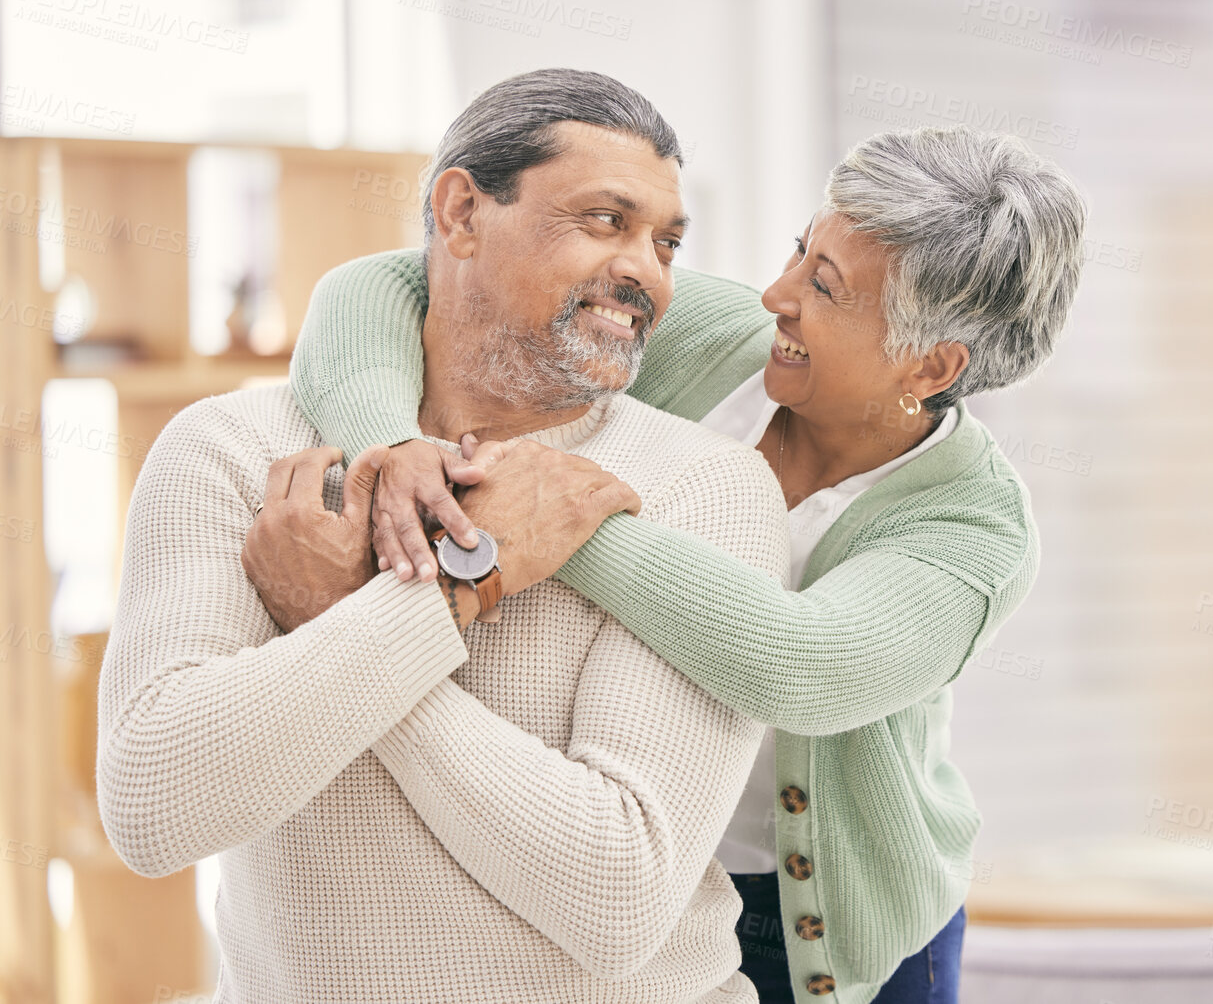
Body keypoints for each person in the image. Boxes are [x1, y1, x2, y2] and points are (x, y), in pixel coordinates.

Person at [291, 84, 1086, 1004]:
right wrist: (389, 449)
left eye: (824, 286)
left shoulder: (972, 526)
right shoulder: (712, 339)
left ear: (932, 365)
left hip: (836, 939)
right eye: (801, 249)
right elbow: (383, 282)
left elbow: (802, 665)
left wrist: (562, 524)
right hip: (637, 874)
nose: (776, 294)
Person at [98, 70, 789, 1003]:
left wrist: (341, 612)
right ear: (461, 212)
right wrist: (453, 597)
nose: (648, 271)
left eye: (666, 241)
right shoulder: (233, 452)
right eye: (604, 220)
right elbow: (155, 806)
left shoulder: (706, 487)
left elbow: (620, 894)